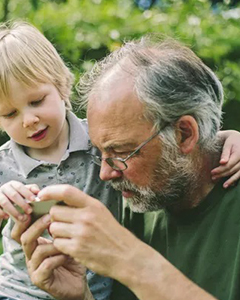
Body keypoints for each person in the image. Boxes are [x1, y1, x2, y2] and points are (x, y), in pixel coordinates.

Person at [17, 35, 240, 300]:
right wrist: (79, 296)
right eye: (99, 152)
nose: (105, 174)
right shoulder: (136, 200)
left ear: (184, 134)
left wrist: (130, 260)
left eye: (120, 152)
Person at [0, 21, 121, 300]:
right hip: (17, 293)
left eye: (36, 101)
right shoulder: (1, 165)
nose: (29, 120)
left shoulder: (99, 140)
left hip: (92, 293)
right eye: (10, 114)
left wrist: (225, 137)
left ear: (60, 85)